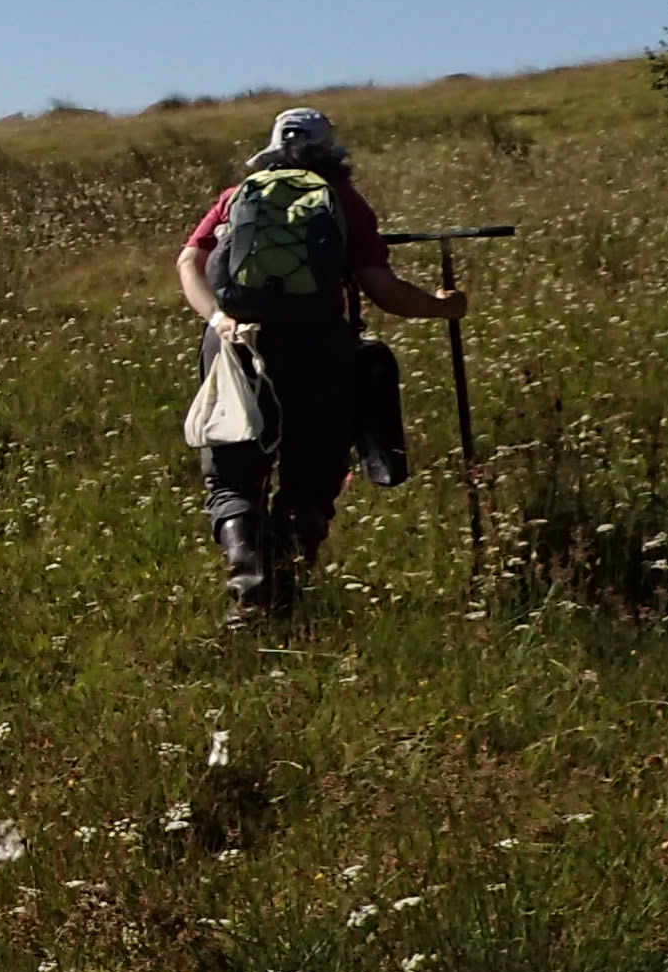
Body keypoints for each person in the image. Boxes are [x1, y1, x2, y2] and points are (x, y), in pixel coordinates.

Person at [174, 104, 466, 618]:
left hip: (233, 343)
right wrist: (444, 308)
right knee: (312, 471)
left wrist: (219, 318)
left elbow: (188, 261)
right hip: (316, 346)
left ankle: (250, 590)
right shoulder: (344, 201)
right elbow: (383, 290)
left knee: (233, 474)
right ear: (330, 151)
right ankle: (285, 585)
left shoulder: (236, 196)